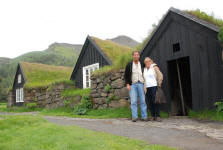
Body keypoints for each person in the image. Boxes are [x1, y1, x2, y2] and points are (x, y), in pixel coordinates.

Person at [124, 51, 148, 122]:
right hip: (133, 85)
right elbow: (126, 75)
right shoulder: (129, 64)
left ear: (139, 56)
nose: (136, 56)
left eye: (137, 55)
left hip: (141, 84)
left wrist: (155, 66)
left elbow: (149, 65)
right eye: (134, 55)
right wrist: (127, 84)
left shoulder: (142, 64)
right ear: (133, 56)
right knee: (133, 101)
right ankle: (134, 117)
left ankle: (144, 116)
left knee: (143, 101)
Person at [143, 57, 163, 121]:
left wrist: (159, 84)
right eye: (146, 62)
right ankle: (152, 115)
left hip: (154, 86)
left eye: (148, 61)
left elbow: (160, 75)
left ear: (151, 61)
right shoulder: (144, 69)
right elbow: (144, 79)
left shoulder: (154, 67)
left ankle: (158, 116)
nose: (147, 62)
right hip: (147, 88)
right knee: (150, 102)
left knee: (155, 101)